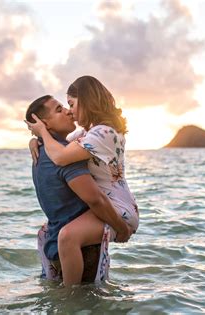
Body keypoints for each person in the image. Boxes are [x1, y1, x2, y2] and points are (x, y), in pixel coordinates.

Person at [26, 76, 139, 286]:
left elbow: (60, 156)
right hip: (103, 204)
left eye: (71, 104)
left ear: (86, 101)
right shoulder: (89, 132)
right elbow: (58, 143)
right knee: (49, 232)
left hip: (117, 208)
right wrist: (35, 140)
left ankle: (71, 299)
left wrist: (41, 132)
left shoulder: (103, 133)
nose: (70, 111)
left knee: (68, 236)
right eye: (66, 106)